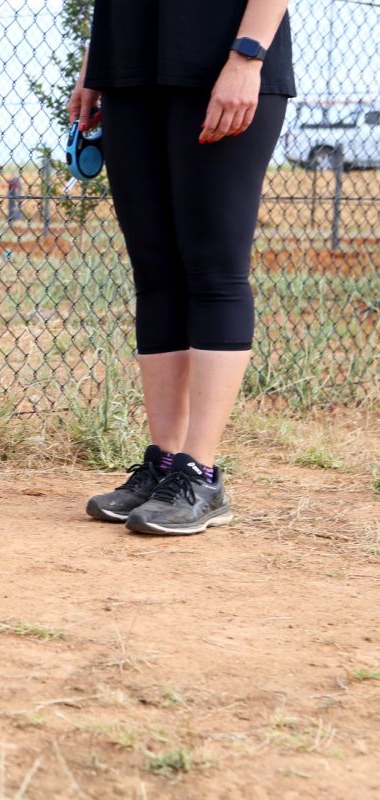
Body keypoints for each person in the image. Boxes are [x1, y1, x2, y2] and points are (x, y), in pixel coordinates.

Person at [72, 0, 295, 535]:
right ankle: (166, 464)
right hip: (129, 71)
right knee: (155, 274)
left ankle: (202, 474)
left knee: (214, 273)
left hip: (225, 64)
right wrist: (92, 67)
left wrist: (247, 56)